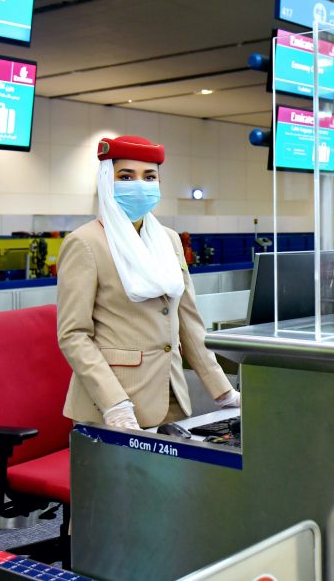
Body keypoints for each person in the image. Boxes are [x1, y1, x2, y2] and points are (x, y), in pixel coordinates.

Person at [57, 135, 238, 430]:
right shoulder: (85, 243)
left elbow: (188, 321)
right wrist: (114, 402)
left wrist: (222, 390)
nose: (140, 184)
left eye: (149, 176)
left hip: (172, 395)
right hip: (114, 402)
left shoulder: (168, 239)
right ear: (107, 181)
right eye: (126, 176)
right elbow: (73, 334)